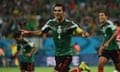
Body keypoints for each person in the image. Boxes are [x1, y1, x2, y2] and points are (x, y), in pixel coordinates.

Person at [21, 4, 89, 72]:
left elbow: (79, 30)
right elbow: (41, 32)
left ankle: (81, 68)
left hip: (67, 54)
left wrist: (84, 33)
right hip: (57, 54)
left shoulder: (69, 24)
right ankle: (81, 68)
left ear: (64, 12)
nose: (57, 12)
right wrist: (29, 32)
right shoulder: (51, 23)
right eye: (55, 10)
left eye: (59, 10)